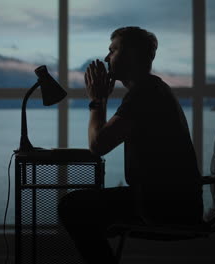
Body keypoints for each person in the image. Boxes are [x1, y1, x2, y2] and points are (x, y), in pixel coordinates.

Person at [58, 26, 204, 264]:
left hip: (163, 205)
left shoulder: (144, 94)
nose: (106, 58)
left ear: (131, 55)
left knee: (71, 207)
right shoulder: (154, 89)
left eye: (112, 50)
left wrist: (97, 100)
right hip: (177, 202)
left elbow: (98, 145)